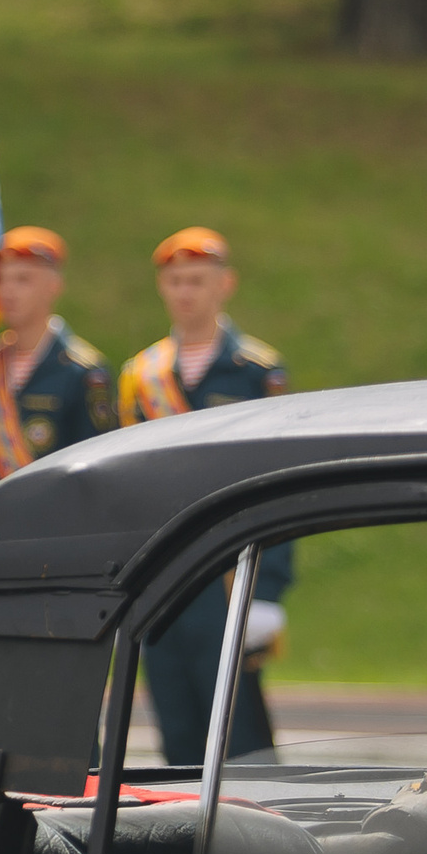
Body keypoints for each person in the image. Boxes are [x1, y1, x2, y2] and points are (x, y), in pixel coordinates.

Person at [118, 227, 292, 761]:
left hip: (229, 572)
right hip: (164, 572)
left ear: (225, 285)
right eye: (175, 281)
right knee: (177, 725)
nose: (185, 292)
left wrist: (268, 589)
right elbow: (127, 485)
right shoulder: (139, 376)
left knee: (241, 735)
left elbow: (279, 482)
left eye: (197, 280)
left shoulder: (256, 372)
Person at [0, 226, 114, 504]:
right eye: (0, 279)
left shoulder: (83, 371)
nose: (7, 291)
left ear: (53, 285)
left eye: (23, 280)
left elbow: (97, 464)